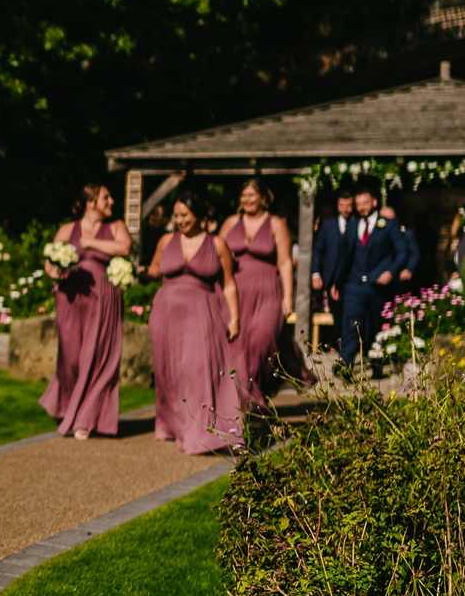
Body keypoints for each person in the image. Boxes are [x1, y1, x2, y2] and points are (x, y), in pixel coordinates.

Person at [145, 190, 244, 454]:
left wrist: (234, 318)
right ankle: (173, 424)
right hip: (166, 313)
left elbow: (229, 284)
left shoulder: (217, 244)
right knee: (170, 373)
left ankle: (201, 431)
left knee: (199, 370)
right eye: (176, 215)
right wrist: (142, 272)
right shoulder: (167, 241)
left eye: (184, 215)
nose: (179, 220)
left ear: (199, 214)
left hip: (202, 313)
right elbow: (155, 269)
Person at [40, 183, 130, 438]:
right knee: (71, 359)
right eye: (105, 197)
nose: (111, 201)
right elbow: (50, 261)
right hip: (71, 297)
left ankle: (87, 418)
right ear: (91, 202)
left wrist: (90, 242)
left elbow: (124, 248)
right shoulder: (68, 229)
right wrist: (53, 271)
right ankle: (70, 407)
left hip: (103, 298)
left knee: (100, 357)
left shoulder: (115, 227)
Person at [220, 178, 294, 402]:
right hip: (235, 291)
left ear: (263, 197)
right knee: (236, 346)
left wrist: (288, 296)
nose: (247, 200)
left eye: (251, 195)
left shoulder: (276, 224)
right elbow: (214, 250)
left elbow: (285, 262)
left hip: (267, 291)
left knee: (262, 343)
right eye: (244, 196)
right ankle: (242, 401)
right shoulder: (231, 222)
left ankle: (256, 394)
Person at [332, 183, 406, 368]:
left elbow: (402, 252)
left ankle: (376, 363)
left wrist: (391, 271)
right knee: (351, 323)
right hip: (354, 285)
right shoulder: (352, 226)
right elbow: (344, 257)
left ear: (374, 202)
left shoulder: (388, 225)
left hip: (378, 286)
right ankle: (346, 364)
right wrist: (337, 283)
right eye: (358, 204)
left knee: (375, 325)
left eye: (365, 203)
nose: (361, 207)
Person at [312, 186, 355, 328]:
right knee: (336, 315)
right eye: (342, 206)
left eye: (349, 206)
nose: (345, 210)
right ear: (337, 206)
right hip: (330, 278)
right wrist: (316, 273)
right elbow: (318, 250)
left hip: (352, 278)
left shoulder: (358, 223)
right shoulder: (328, 226)